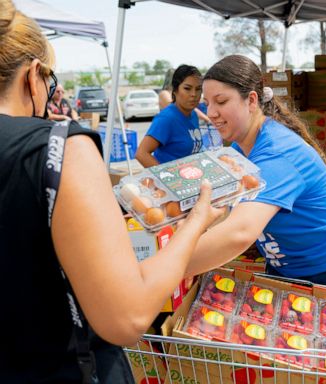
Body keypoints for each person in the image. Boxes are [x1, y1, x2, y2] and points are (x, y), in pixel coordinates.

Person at [0, 2, 224, 383]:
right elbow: (127, 318)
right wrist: (197, 222)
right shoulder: (59, 149)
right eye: (51, 84)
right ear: (33, 75)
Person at [184, 54, 326, 382]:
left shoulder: (277, 152)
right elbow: (222, 215)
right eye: (207, 102)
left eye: (221, 101)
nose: (211, 112)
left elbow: (240, 232)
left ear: (251, 100)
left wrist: (168, 270)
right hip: (294, 275)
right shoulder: (239, 151)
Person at [135, 64, 205, 167]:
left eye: (198, 89)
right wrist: (165, 178)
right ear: (175, 90)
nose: (194, 94)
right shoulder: (167, 118)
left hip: (191, 179)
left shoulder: (193, 115)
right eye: (187, 88)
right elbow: (141, 154)